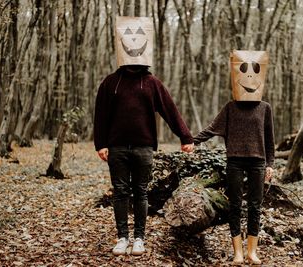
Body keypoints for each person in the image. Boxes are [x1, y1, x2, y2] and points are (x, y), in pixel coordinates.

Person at [94, 16, 194, 257]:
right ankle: (122, 237)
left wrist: (186, 137)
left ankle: (139, 237)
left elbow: (171, 111)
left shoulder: (152, 83)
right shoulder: (110, 83)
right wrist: (101, 143)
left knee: (141, 192)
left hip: (144, 148)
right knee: (120, 192)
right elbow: (100, 116)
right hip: (116, 148)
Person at [194, 50, 274, 265]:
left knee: (255, 206)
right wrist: (193, 141)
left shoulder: (265, 108)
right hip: (235, 162)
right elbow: (212, 128)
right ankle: (238, 252)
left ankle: (252, 252)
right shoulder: (231, 107)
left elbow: (270, 140)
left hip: (258, 162)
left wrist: (270, 164)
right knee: (235, 205)